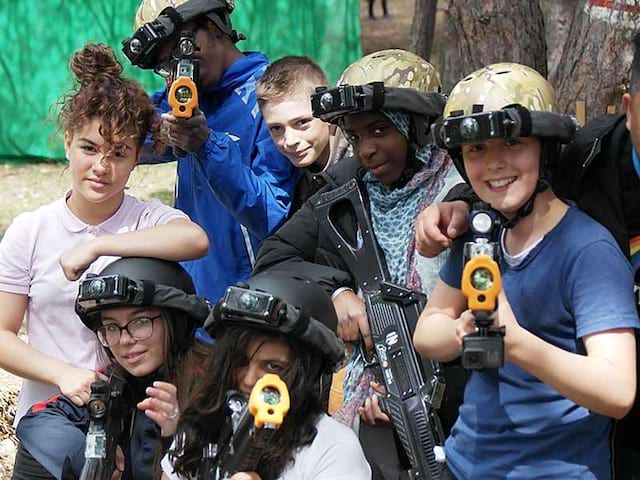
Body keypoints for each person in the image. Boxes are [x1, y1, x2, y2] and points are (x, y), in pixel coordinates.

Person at [414, 35, 640, 479]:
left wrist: (514, 343)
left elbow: (618, 389)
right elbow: (428, 331)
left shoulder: (588, 252)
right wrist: (462, 331)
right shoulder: (480, 236)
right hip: (464, 464)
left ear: (546, 148)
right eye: (477, 150)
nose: (494, 164)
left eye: (513, 144)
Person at [253, 56, 463, 478]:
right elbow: (274, 257)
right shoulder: (344, 194)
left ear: (417, 125)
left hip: (465, 398)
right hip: (374, 403)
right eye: (354, 134)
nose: (366, 149)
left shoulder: (462, 188)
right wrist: (338, 293)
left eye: (381, 130)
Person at [0, 44, 208, 426]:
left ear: (136, 159)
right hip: (50, 422)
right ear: (67, 144)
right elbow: (2, 335)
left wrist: (98, 246)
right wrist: (62, 374)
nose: (101, 167)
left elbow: (194, 240)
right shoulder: (30, 231)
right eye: (89, 148)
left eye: (118, 153)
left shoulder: (145, 219)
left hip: (135, 424)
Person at [124, 0, 300, 302]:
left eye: (181, 54)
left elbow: (272, 218)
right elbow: (127, 141)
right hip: (192, 305)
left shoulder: (271, 97)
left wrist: (207, 146)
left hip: (250, 310)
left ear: (212, 26)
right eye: (166, 66)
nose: (179, 72)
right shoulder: (186, 94)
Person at [12, 257, 211, 480]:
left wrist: (176, 439)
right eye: (111, 327)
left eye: (141, 321)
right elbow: (38, 420)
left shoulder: (219, 386)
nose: (124, 339)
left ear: (177, 321)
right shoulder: (116, 383)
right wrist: (91, 459)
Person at [162, 271, 371, 480]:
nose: (249, 379)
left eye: (273, 366)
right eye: (239, 361)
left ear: (307, 372)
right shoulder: (202, 427)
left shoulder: (333, 447)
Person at [256, 55, 334, 216]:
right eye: (276, 128)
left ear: (327, 111)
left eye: (302, 122)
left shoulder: (361, 165)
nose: (289, 141)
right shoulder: (293, 177)